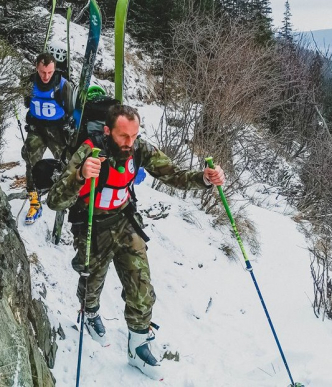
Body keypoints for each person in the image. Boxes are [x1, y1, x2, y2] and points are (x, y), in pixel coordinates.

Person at [46, 104, 225, 379]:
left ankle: (139, 345)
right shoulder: (89, 151)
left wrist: (204, 178)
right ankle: (90, 311)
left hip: (125, 222)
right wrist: (80, 175)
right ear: (107, 131)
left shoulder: (139, 149)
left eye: (134, 135)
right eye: (123, 137)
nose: (130, 143)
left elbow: (173, 174)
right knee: (92, 280)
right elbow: (55, 200)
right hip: (92, 226)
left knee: (141, 285)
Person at [22, 51, 74, 224]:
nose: (46, 76)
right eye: (43, 72)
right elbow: (27, 103)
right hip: (37, 128)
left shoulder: (63, 84)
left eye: (50, 72)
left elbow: (72, 109)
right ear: (37, 68)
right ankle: (34, 202)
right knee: (30, 160)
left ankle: (65, 196)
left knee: (67, 163)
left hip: (58, 130)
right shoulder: (29, 83)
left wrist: (70, 126)